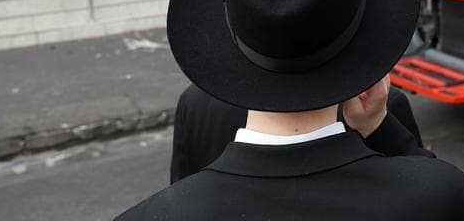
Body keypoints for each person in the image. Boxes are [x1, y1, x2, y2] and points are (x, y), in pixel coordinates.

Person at [117, 0, 464, 220]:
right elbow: (432, 188)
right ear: (365, 37)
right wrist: (380, 129)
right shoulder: (437, 197)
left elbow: (182, 186)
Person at [169, 82, 424, 183]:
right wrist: (379, 125)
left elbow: (181, 193)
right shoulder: (377, 107)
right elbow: (435, 198)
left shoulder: (194, 102)